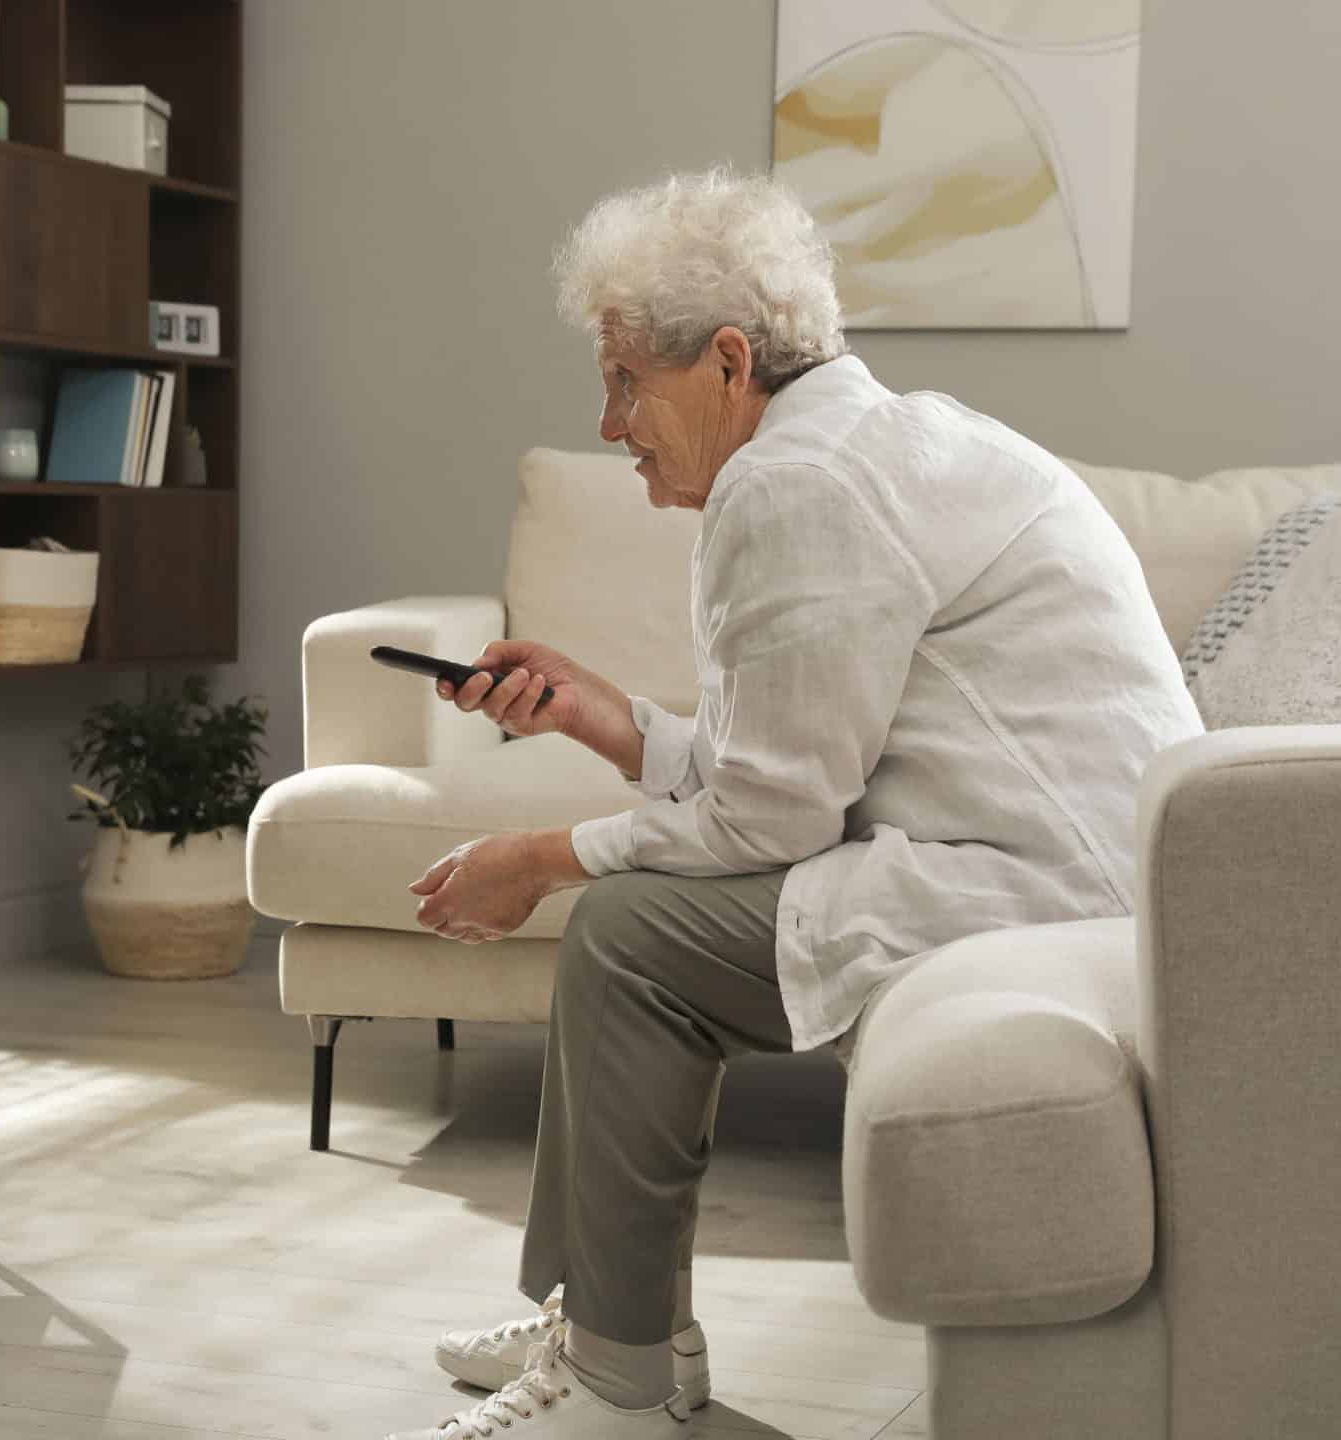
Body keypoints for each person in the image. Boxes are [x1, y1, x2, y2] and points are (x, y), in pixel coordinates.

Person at [389, 167, 1202, 1440]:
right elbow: (779, 768)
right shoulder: (863, 445)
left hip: (1045, 895)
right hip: (1080, 869)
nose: (610, 424)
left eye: (623, 381)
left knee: (624, 938)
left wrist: (540, 859)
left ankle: (616, 1379)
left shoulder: (798, 485)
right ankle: (613, 1324)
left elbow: (771, 823)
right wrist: (607, 721)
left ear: (725, 362)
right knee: (639, 917)